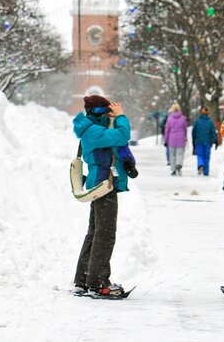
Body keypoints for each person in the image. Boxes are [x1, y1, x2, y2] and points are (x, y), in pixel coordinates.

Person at [72, 95, 132, 298]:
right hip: (104, 186)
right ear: (99, 113)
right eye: (106, 112)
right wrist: (122, 116)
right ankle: (98, 282)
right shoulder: (95, 132)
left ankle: (83, 280)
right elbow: (122, 136)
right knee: (105, 235)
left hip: (100, 184)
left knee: (95, 233)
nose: (110, 115)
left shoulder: (91, 129)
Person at [192, 106, 218, 176]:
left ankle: (200, 164)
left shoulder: (197, 121)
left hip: (199, 141)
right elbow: (213, 132)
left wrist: (194, 141)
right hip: (207, 142)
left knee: (200, 155)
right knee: (207, 157)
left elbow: (193, 132)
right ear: (208, 113)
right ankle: (206, 171)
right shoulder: (210, 122)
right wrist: (215, 140)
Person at [164, 103, 188, 176]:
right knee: (180, 153)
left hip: (172, 138)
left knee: (172, 155)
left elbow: (167, 130)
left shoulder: (170, 118)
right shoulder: (183, 118)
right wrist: (185, 137)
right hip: (181, 138)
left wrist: (166, 139)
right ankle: (178, 164)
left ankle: (173, 169)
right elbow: (185, 128)